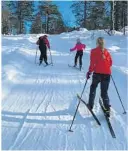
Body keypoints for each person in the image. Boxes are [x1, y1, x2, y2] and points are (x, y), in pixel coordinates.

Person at [86, 37, 112, 117]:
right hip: (107, 74)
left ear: (97, 43)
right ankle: (107, 108)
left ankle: (90, 105)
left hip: (97, 74)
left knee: (93, 87)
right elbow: (110, 63)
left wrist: (89, 72)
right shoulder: (106, 51)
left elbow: (92, 63)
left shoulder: (93, 51)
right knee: (104, 92)